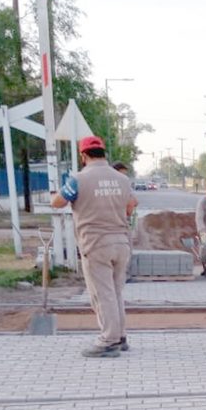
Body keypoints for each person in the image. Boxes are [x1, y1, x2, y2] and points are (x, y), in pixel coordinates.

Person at [51, 135, 137, 358]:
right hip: (121, 242)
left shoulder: (78, 179)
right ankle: (121, 336)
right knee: (115, 292)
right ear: (103, 153)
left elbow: (57, 202)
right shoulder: (122, 179)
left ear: (83, 155)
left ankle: (108, 340)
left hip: (96, 243)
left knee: (102, 294)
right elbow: (130, 208)